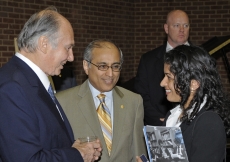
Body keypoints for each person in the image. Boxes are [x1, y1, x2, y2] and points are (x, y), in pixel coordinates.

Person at [0, 7, 102, 162]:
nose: (71, 57)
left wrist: (74, 148)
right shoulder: (12, 88)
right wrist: (78, 155)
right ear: (44, 44)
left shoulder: (28, 81)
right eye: (68, 47)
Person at [56, 39, 147, 162]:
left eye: (115, 66)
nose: (110, 73)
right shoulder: (63, 102)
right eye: (103, 66)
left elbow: (139, 153)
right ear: (86, 66)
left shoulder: (133, 101)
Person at [137, 45, 230, 162]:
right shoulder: (172, 116)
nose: (162, 83)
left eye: (169, 77)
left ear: (194, 83)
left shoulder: (209, 122)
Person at [135, 10, 190, 126]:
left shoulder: (202, 58)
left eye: (186, 25)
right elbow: (141, 95)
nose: (182, 29)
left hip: (193, 123)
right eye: (176, 25)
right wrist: (159, 120)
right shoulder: (148, 59)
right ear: (166, 28)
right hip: (158, 123)